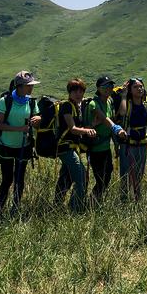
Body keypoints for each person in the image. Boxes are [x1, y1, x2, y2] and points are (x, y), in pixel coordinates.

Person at [0, 71, 41, 217]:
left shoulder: (32, 102)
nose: (31, 88)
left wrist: (38, 120)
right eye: (29, 85)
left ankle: (15, 209)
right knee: (7, 179)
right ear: (19, 86)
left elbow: (37, 125)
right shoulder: (5, 101)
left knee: (19, 180)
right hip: (7, 146)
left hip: (24, 146)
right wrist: (19, 129)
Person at [117, 77, 147, 201]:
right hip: (128, 144)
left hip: (142, 144)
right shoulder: (128, 104)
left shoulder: (146, 104)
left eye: (141, 86)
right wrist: (123, 96)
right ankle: (124, 199)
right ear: (130, 90)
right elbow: (122, 113)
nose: (139, 89)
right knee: (126, 174)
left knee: (139, 173)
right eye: (136, 87)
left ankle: (137, 199)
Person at [54, 78, 97, 211]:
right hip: (65, 147)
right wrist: (87, 130)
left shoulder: (76, 107)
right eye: (75, 91)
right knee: (81, 176)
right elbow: (72, 128)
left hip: (70, 147)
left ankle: (56, 205)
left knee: (65, 177)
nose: (79, 94)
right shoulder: (67, 106)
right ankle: (75, 208)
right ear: (69, 92)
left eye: (81, 91)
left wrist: (92, 125)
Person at [86, 76, 127, 205]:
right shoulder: (94, 104)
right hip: (95, 147)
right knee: (101, 178)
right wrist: (117, 129)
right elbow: (105, 119)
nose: (108, 89)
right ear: (98, 88)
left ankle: (94, 201)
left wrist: (115, 144)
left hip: (105, 147)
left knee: (107, 175)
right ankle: (92, 203)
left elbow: (111, 120)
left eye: (110, 86)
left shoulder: (109, 101)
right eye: (105, 87)